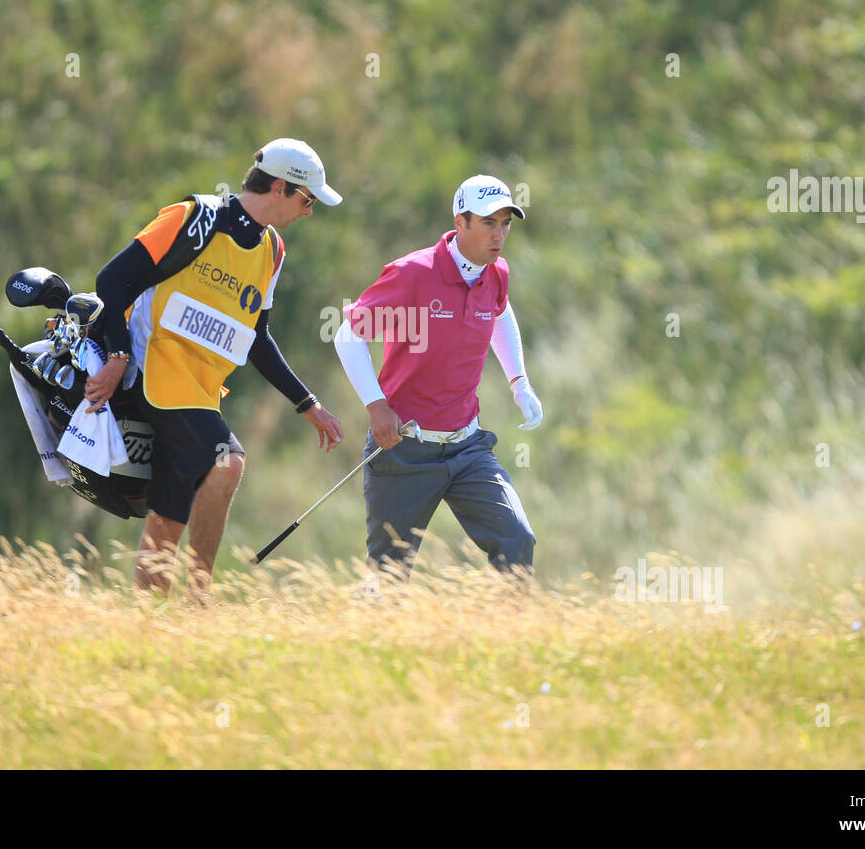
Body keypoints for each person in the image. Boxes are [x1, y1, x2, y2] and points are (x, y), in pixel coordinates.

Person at [85, 138, 346, 595]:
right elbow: (112, 280)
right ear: (281, 188)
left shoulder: (273, 251)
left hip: (199, 390)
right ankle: (200, 597)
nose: (309, 211)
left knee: (167, 519)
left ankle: (149, 625)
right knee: (227, 462)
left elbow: (256, 338)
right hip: (154, 370)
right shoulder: (193, 217)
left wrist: (308, 405)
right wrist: (117, 357)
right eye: (306, 200)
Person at [334, 174, 543, 577]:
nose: (499, 235)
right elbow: (349, 334)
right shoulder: (413, 273)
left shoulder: (495, 272)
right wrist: (377, 407)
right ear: (460, 221)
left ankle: (512, 637)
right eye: (488, 223)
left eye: (506, 224)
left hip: (468, 448)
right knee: (388, 575)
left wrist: (520, 382)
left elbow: (500, 311)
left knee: (517, 540)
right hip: (405, 450)